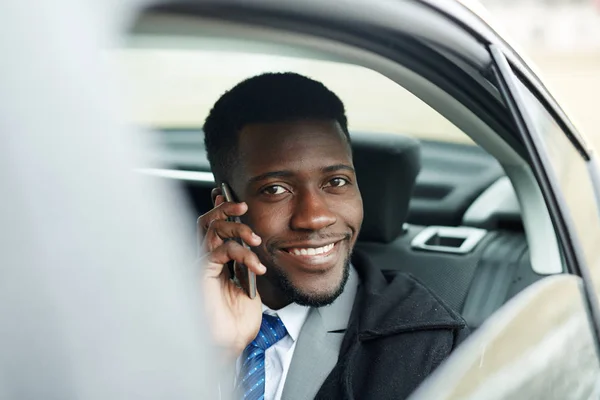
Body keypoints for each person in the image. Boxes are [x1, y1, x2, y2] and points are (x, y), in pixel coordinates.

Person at [198, 72, 469, 400]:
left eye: (336, 182)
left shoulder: (421, 346)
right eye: (275, 189)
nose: (315, 218)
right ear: (225, 206)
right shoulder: (148, 316)